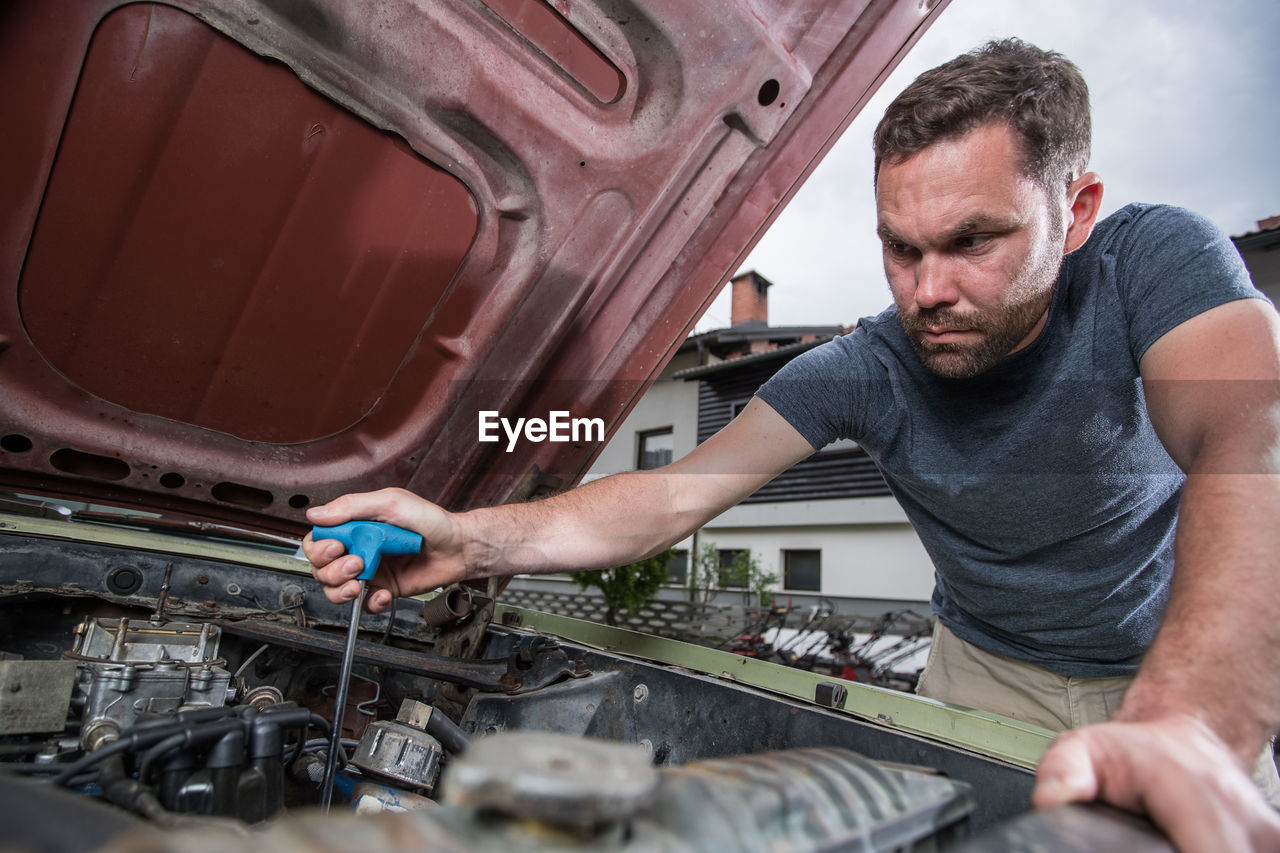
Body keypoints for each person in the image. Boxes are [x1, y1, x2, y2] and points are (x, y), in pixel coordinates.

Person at [305, 39, 1280, 851]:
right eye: (900, 246)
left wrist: (1191, 715)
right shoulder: (863, 365)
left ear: (1072, 211)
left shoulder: (1150, 262)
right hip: (980, 673)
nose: (924, 289)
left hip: (1178, 665)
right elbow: (672, 497)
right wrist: (471, 538)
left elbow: (1247, 436)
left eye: (970, 241)